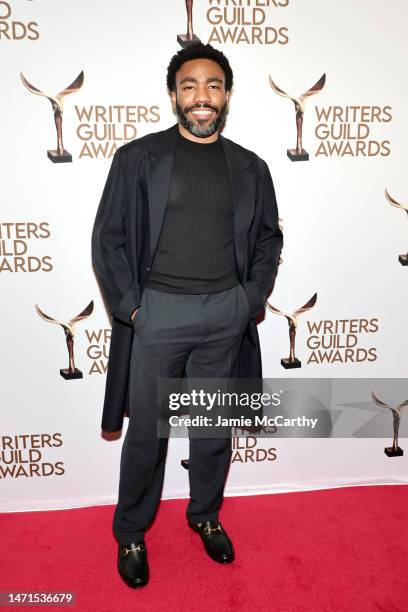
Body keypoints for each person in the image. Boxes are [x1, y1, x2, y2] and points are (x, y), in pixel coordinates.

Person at [91, 42, 283, 589]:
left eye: (213, 86)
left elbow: (269, 238)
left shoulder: (252, 167)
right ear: (174, 94)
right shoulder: (136, 158)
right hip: (158, 314)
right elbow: (108, 239)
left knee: (212, 430)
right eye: (190, 86)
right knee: (148, 436)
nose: (202, 97)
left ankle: (204, 514)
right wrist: (132, 307)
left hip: (226, 314)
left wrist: (250, 299)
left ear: (226, 96)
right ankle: (131, 530)